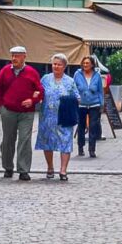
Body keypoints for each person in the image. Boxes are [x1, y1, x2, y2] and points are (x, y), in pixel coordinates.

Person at [0, 45, 44, 181]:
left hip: (26, 113)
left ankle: (23, 170)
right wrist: (0, 107)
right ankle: (8, 167)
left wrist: (32, 100)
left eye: (17, 55)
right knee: (8, 139)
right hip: (8, 110)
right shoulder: (5, 71)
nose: (14, 58)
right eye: (12, 55)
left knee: (24, 140)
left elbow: (39, 91)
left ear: (24, 56)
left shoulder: (32, 72)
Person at [36, 52, 78, 180]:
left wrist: (71, 100)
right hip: (47, 117)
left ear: (64, 66)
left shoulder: (70, 81)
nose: (56, 66)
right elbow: (39, 92)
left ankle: (63, 170)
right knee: (47, 142)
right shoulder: (45, 79)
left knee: (65, 142)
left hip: (64, 116)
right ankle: (50, 167)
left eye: (59, 64)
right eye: (54, 64)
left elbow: (77, 96)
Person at [73, 56, 104, 158]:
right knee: (81, 126)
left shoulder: (97, 75)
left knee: (93, 127)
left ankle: (92, 149)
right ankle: (80, 147)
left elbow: (100, 90)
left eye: (87, 63)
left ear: (92, 64)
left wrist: (101, 104)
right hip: (81, 104)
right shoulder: (77, 74)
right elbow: (73, 88)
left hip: (94, 104)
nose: (85, 65)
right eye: (84, 63)